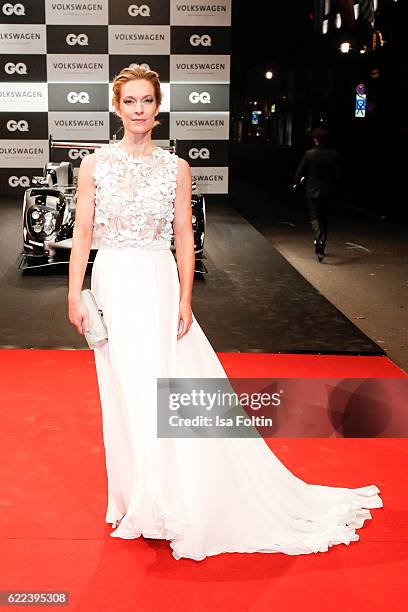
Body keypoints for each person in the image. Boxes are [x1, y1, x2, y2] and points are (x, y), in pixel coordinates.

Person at [68, 65, 382, 562]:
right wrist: (74, 293)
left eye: (146, 101)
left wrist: (186, 297)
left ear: (158, 107)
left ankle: (167, 500)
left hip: (155, 280)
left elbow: (185, 239)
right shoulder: (94, 165)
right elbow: (83, 232)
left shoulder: (176, 167)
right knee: (124, 390)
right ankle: (137, 497)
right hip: (111, 280)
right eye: (129, 102)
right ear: (116, 106)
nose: (138, 111)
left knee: (161, 385)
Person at [294, 128, 340, 262]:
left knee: (314, 217)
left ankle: (318, 240)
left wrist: (297, 182)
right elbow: (337, 175)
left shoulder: (309, 154)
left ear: (315, 140)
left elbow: (299, 172)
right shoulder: (334, 155)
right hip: (327, 191)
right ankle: (322, 242)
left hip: (312, 191)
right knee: (324, 217)